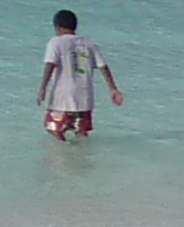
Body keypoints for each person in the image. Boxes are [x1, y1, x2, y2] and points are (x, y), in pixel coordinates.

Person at [40, 11, 122, 140]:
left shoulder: (56, 42)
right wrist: (113, 88)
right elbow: (103, 66)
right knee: (81, 132)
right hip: (85, 97)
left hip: (63, 98)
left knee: (54, 129)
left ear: (58, 27)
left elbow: (50, 64)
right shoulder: (89, 43)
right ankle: (81, 158)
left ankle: (65, 156)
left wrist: (43, 88)